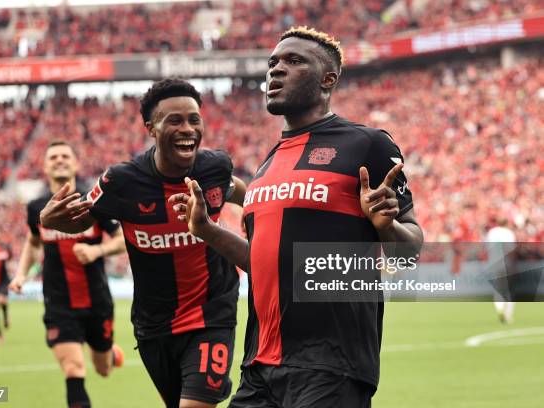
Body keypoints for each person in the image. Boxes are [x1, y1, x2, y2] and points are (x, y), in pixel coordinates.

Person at [169, 27, 424, 407]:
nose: (276, 70)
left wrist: (386, 226)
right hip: (259, 367)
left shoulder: (367, 144)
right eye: (272, 63)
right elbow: (261, 261)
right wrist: (206, 230)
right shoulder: (269, 162)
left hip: (331, 367)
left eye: (293, 61)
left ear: (328, 78)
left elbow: (411, 251)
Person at [39, 78, 247, 408]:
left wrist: (259, 221)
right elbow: (82, 220)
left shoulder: (215, 166)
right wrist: (48, 220)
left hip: (212, 313)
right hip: (155, 325)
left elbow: (244, 195)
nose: (187, 128)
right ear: (151, 127)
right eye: (175, 120)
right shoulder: (121, 181)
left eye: (194, 119)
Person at [9, 140, 126, 408]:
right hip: (59, 303)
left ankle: (109, 355)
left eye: (65, 156)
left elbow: (122, 240)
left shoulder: (94, 202)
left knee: (103, 369)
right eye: (53, 157)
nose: (59, 160)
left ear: (76, 164)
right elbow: (33, 242)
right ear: (45, 166)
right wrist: (20, 275)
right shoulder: (36, 208)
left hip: (97, 301)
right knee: (74, 369)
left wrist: (97, 252)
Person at [485, 217, 516, 323]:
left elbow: (486, 248)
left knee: (498, 288)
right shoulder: (508, 233)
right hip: (505, 262)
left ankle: (499, 308)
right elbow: (510, 249)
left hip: (493, 262)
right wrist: (513, 264)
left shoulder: (491, 232)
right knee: (509, 288)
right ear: (507, 223)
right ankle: (508, 314)